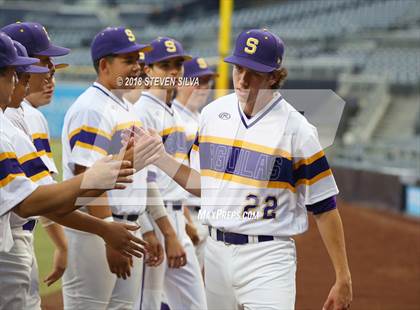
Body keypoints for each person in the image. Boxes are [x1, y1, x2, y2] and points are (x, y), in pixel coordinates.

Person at [148, 29, 353, 310]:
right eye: (239, 68)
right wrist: (160, 157)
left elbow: (325, 207)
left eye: (254, 72)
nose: (242, 79)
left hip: (267, 256)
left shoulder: (298, 130)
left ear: (273, 76)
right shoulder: (212, 115)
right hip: (216, 252)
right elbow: (203, 185)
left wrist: (343, 276)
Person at [0, 31, 146, 310]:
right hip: (11, 242)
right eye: (17, 71)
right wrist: (98, 205)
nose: (49, 73)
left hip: (20, 237)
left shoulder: (20, 117)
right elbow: (32, 201)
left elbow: (37, 199)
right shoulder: (16, 121)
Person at [61, 27, 185, 309]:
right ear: (104, 65)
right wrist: (108, 235)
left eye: (138, 60)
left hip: (127, 227)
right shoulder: (92, 108)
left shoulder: (124, 107)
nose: (138, 67)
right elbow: (86, 179)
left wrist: (146, 230)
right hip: (97, 231)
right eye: (128, 60)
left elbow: (141, 176)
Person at [133, 37, 207, 310]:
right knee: (147, 304)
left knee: (195, 305)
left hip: (176, 219)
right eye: (165, 65)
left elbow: (171, 177)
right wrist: (163, 232)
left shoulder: (170, 112)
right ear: (148, 70)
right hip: (155, 221)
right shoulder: (142, 111)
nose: (174, 71)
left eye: (178, 64)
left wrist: (184, 221)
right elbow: (142, 181)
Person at [173, 56, 217, 272]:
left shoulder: (205, 119)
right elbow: (167, 178)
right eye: (197, 82)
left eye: (207, 82)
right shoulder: (171, 118)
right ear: (180, 81)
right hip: (184, 214)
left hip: (209, 215)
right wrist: (184, 222)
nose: (203, 88)